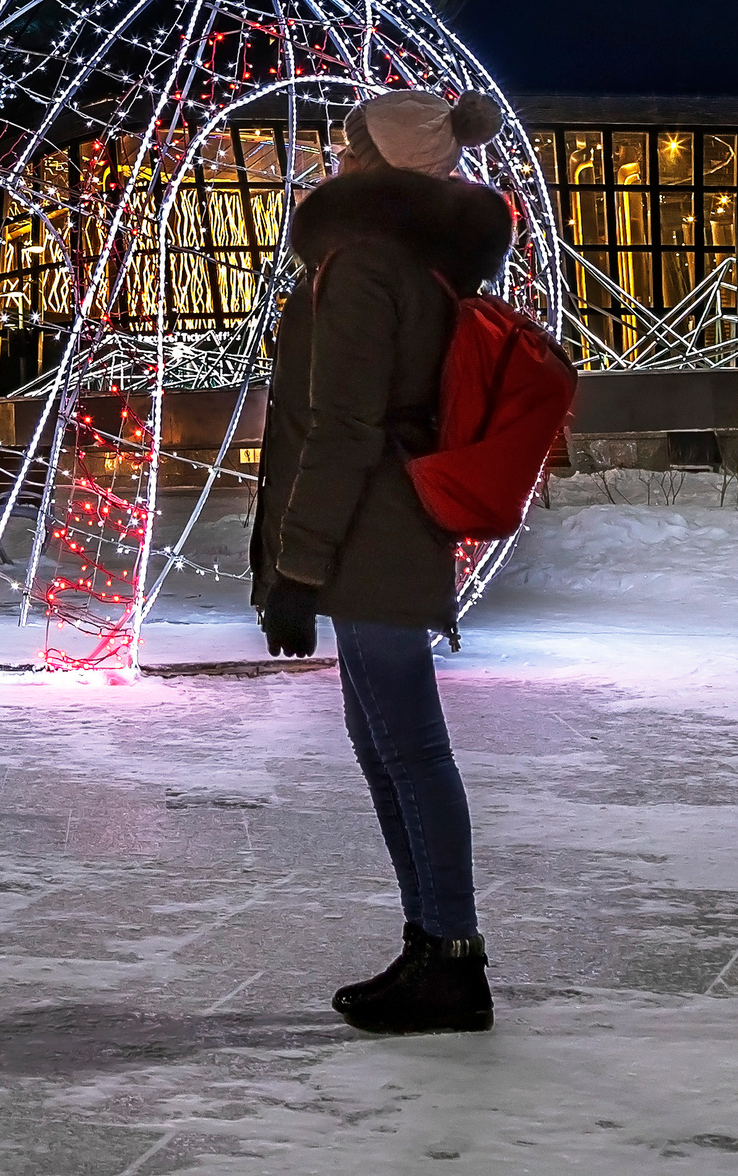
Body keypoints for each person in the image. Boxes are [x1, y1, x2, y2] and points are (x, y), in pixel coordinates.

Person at [253, 87, 511, 1036]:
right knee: (388, 748)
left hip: (373, 532)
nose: (335, 157)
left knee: (408, 749)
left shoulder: (363, 263)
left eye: (347, 143)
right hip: (393, 526)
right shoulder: (424, 260)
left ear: (380, 160)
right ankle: (433, 944)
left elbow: (346, 430)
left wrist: (298, 569)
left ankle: (452, 956)